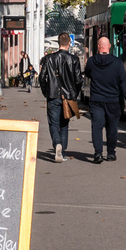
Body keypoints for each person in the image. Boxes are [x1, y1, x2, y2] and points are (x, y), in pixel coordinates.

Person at [84, 35, 126, 163]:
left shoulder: (91, 61)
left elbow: (87, 73)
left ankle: (98, 153)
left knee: (97, 127)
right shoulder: (117, 62)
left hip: (96, 100)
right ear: (109, 46)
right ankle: (111, 153)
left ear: (99, 47)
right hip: (113, 101)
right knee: (112, 128)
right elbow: (124, 82)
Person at [38, 34, 82, 162]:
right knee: (64, 124)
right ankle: (62, 152)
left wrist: (46, 91)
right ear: (69, 43)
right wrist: (74, 94)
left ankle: (57, 142)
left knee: (53, 123)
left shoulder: (49, 58)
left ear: (58, 43)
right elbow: (78, 80)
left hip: (52, 95)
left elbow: (42, 77)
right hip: (68, 96)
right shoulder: (74, 59)